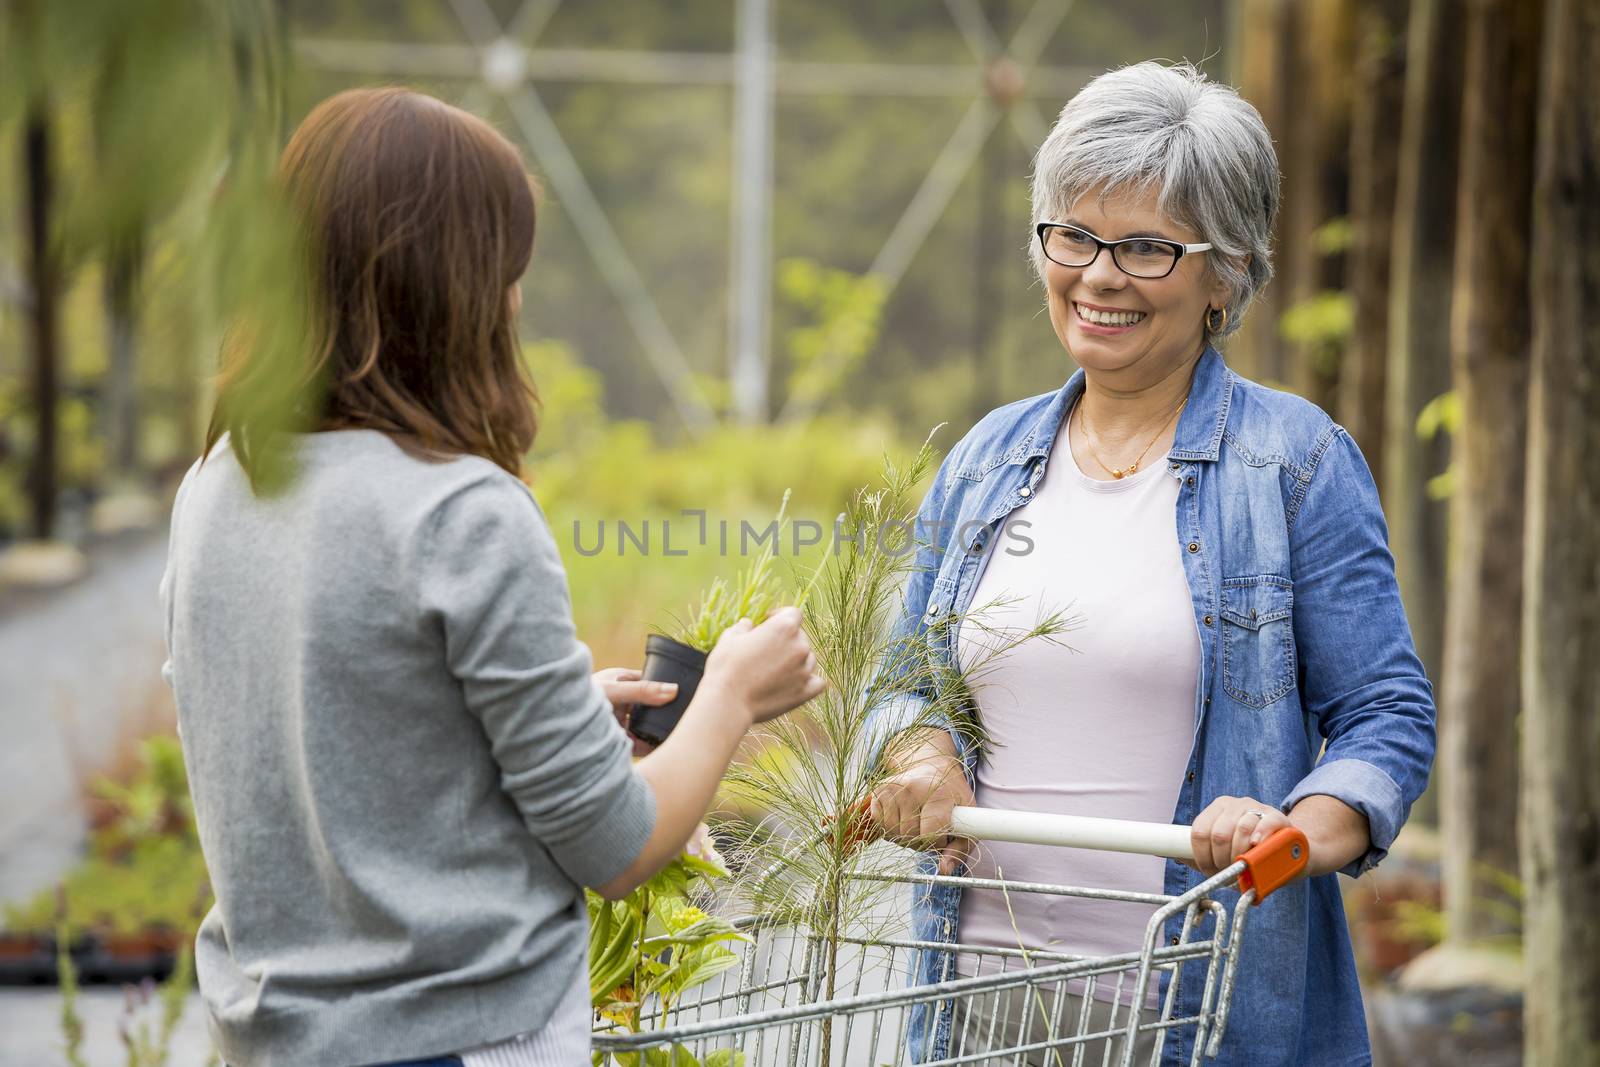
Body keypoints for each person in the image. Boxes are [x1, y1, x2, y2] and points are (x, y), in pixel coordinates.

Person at [160, 87, 826, 1067]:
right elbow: (618, 845)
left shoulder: (218, 484)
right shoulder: (461, 510)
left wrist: (522, 717)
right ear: (451, 283)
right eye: (507, 270)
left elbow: (308, 737)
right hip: (455, 1040)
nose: (516, 298)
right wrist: (729, 694)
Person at [866, 62, 1435, 1066]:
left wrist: (1288, 828)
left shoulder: (1292, 463)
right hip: (976, 1005)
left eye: (1146, 247)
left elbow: (1384, 717)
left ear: (1227, 270)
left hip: (1198, 1011)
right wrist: (915, 748)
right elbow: (904, 674)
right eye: (1073, 235)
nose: (1097, 275)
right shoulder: (984, 460)